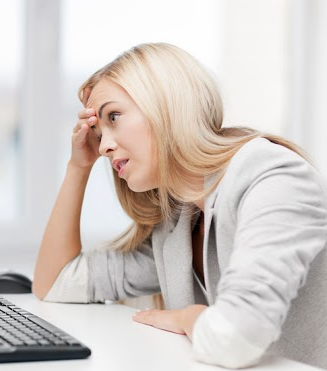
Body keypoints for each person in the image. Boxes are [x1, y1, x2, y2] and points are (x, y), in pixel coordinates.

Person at [32, 43, 327, 369]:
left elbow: (235, 339)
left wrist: (190, 317)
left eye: (113, 117)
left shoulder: (273, 177)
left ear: (166, 105)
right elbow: (55, 282)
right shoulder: (177, 223)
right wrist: (78, 167)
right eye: (99, 133)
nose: (103, 146)